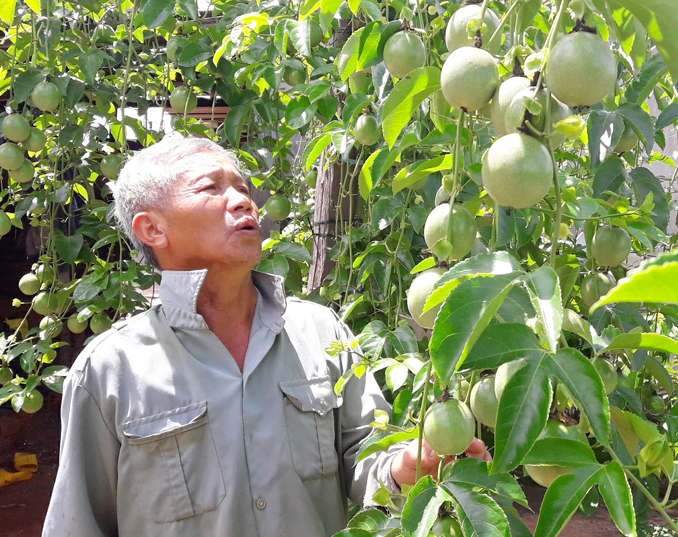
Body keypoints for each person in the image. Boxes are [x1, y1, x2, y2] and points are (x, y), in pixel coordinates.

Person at [43, 135, 490, 537]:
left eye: (242, 188)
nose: (241, 201)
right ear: (152, 229)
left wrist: (403, 467)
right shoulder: (109, 369)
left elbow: (364, 453)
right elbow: (78, 523)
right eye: (211, 188)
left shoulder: (321, 331)